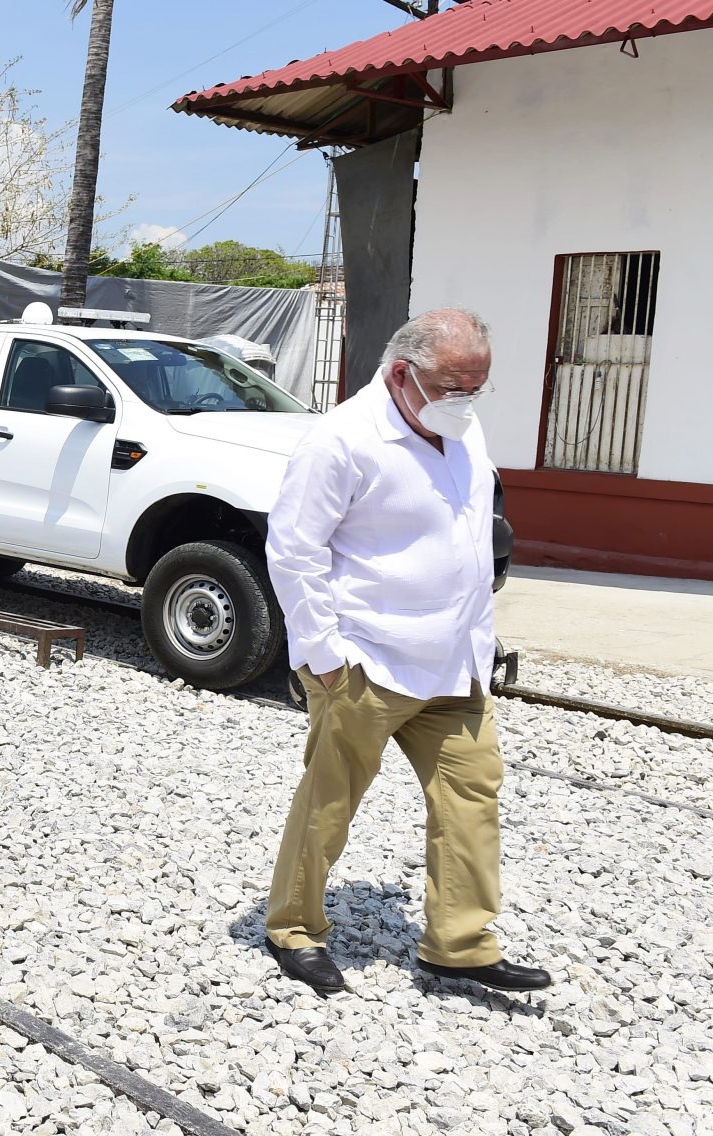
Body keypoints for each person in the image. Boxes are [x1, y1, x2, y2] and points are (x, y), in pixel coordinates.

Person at [262, 308, 551, 996]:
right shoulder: (342, 440)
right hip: (368, 658)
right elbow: (294, 549)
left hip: (455, 662)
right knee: (331, 801)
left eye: (478, 388)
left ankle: (459, 942)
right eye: (456, 387)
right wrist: (324, 655)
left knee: (472, 794)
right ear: (402, 375)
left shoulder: (461, 426)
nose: (468, 401)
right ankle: (293, 928)